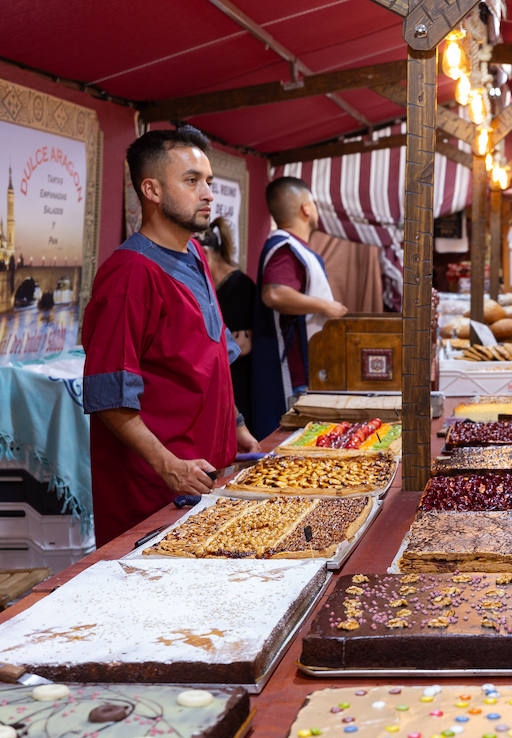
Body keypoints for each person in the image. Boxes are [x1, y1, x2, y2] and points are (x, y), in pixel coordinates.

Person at [81, 126, 256, 547]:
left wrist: (238, 426)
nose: (208, 193)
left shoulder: (194, 253)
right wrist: (168, 465)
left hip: (207, 479)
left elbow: (212, 357)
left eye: (209, 181)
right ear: (152, 190)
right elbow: (109, 396)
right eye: (192, 180)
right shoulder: (129, 274)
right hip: (153, 492)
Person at [250, 176, 348, 438]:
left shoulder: (295, 248)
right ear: (306, 208)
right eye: (314, 204)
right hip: (293, 374)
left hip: (307, 367)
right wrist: (325, 306)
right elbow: (275, 295)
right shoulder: (285, 246)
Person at [200, 216, 255, 422]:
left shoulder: (239, 286)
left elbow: (243, 344)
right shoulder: (212, 286)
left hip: (236, 382)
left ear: (205, 253)